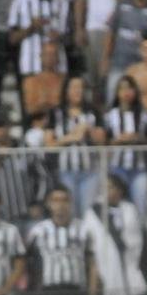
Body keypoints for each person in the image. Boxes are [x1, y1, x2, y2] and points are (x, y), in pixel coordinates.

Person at [25, 185, 98, 295]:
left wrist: (92, 287)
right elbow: (28, 262)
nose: (60, 205)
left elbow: (91, 261)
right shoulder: (38, 231)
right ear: (49, 204)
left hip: (77, 291)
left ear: (71, 203)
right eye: (56, 200)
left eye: (65, 200)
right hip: (50, 291)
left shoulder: (83, 229)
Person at [87, 174, 147, 295]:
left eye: (110, 187)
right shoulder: (94, 214)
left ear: (119, 190)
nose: (106, 191)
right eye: (103, 188)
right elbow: (92, 247)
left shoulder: (130, 210)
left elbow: (136, 241)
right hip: (108, 276)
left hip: (133, 273)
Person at [49, 75, 105, 218]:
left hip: (90, 171)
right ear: (66, 90)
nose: (78, 91)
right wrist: (73, 137)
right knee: (70, 211)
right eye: (74, 87)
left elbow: (102, 140)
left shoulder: (93, 112)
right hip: (65, 170)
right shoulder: (56, 113)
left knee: (88, 213)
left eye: (81, 87)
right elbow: (49, 144)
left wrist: (88, 129)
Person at [104, 74, 147, 216]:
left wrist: (137, 138)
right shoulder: (110, 116)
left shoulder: (144, 115)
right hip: (117, 168)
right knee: (117, 208)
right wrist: (116, 141)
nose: (126, 92)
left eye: (129, 88)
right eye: (122, 88)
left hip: (138, 169)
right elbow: (103, 141)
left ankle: (139, 236)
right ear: (117, 93)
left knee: (140, 208)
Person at [21, 41, 66, 118]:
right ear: (41, 57)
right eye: (47, 54)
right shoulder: (30, 81)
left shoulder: (64, 79)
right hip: (38, 121)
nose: (50, 58)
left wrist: (44, 103)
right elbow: (29, 109)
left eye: (53, 54)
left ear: (57, 57)